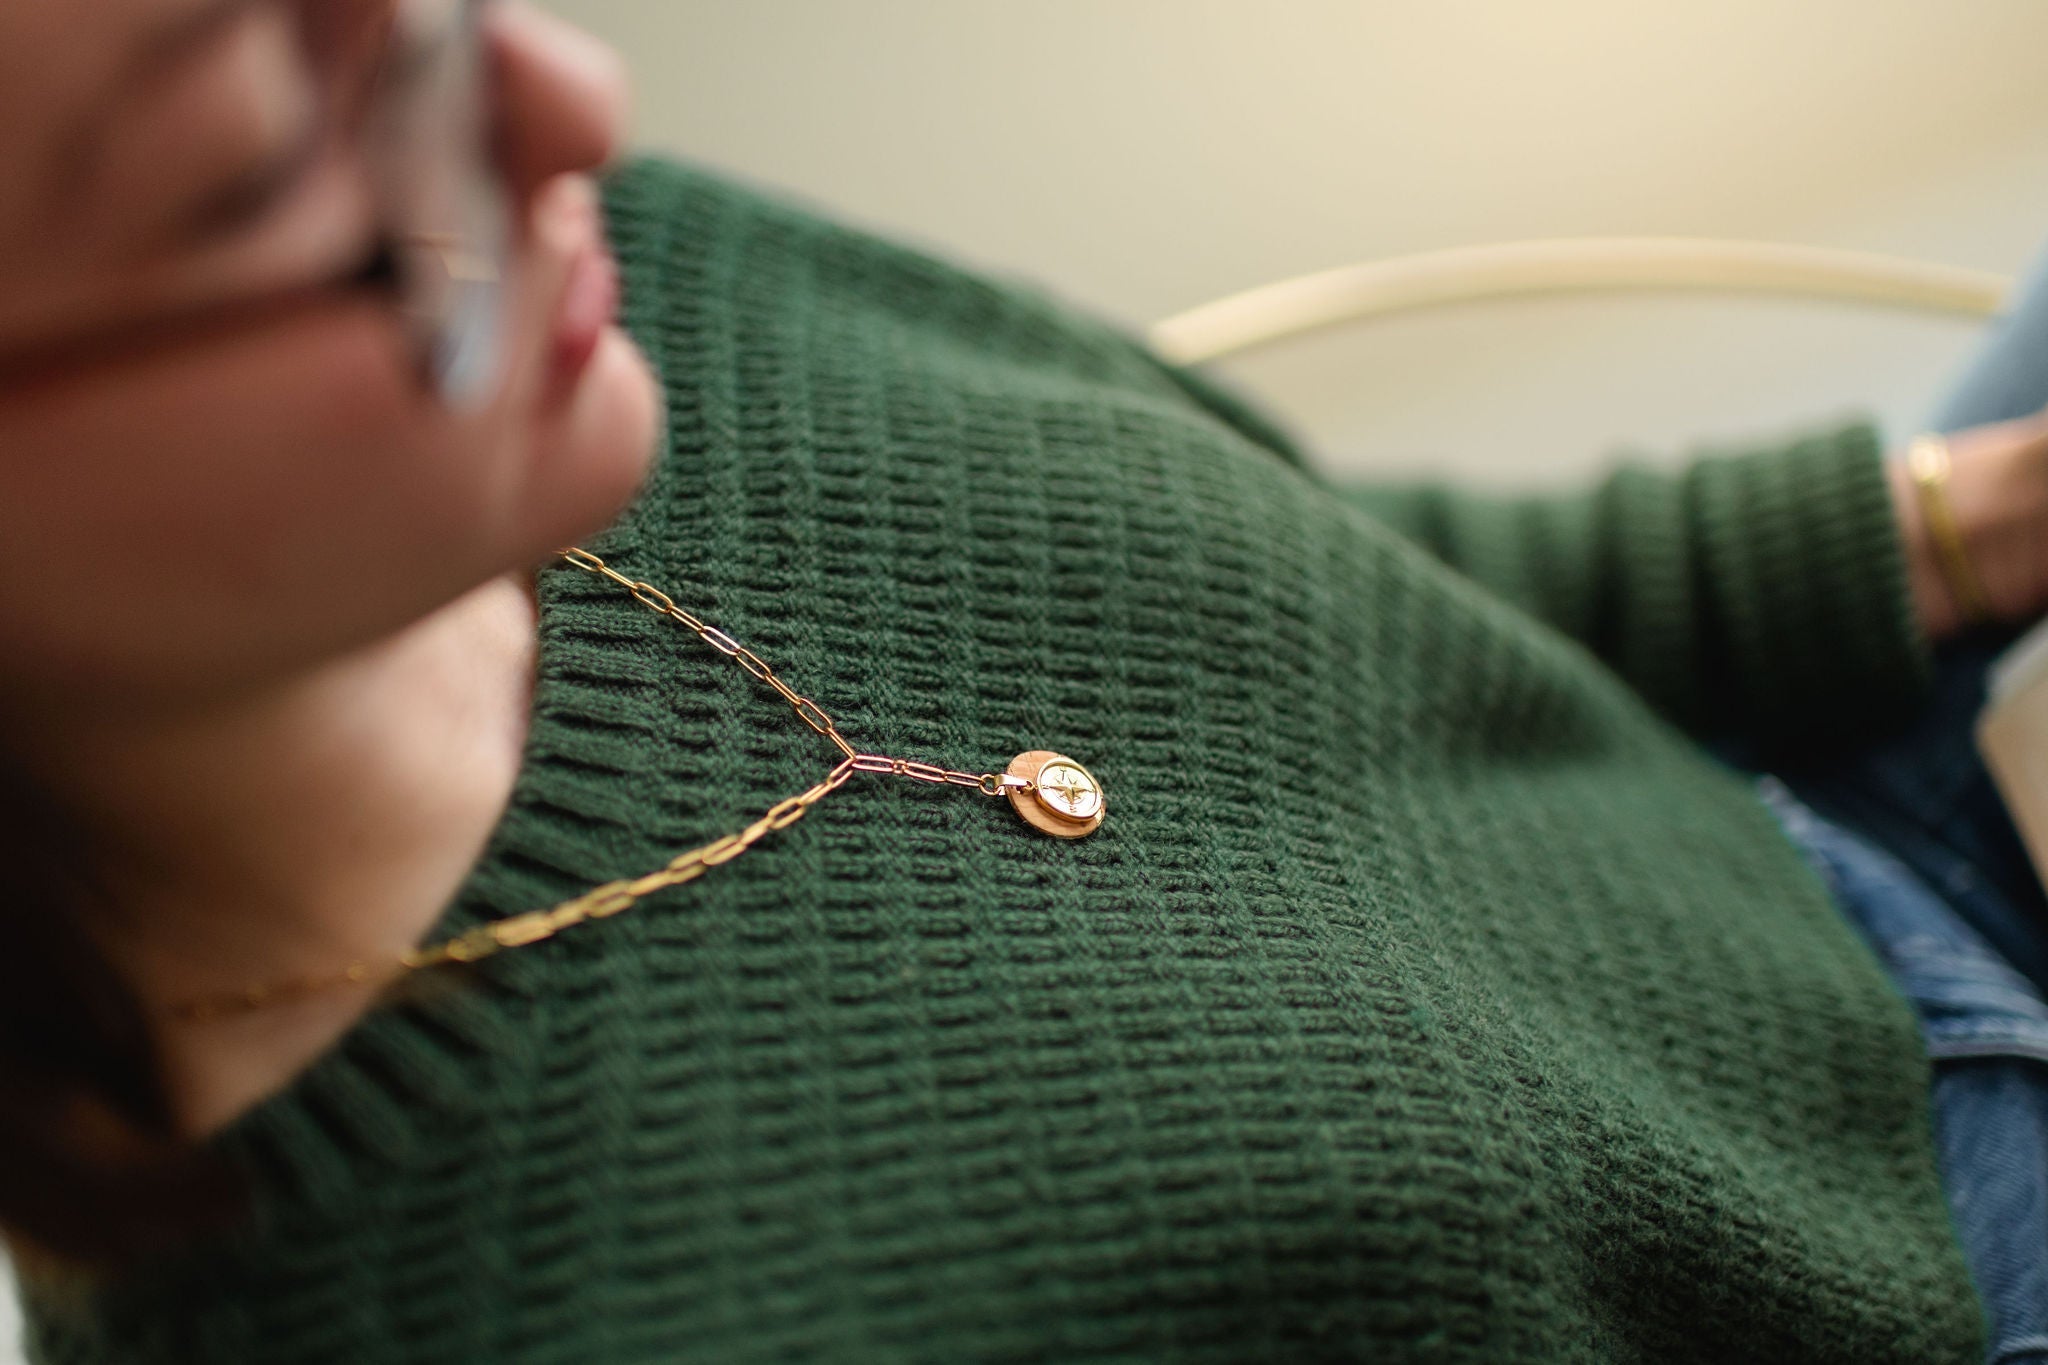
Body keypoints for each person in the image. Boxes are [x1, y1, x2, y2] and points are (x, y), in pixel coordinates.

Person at [5, 2, 2048, 1361]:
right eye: (272, 149)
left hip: (1800, 798)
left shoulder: (606, 291)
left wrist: (1937, 532)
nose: (566, 104)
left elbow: (1326, 586)